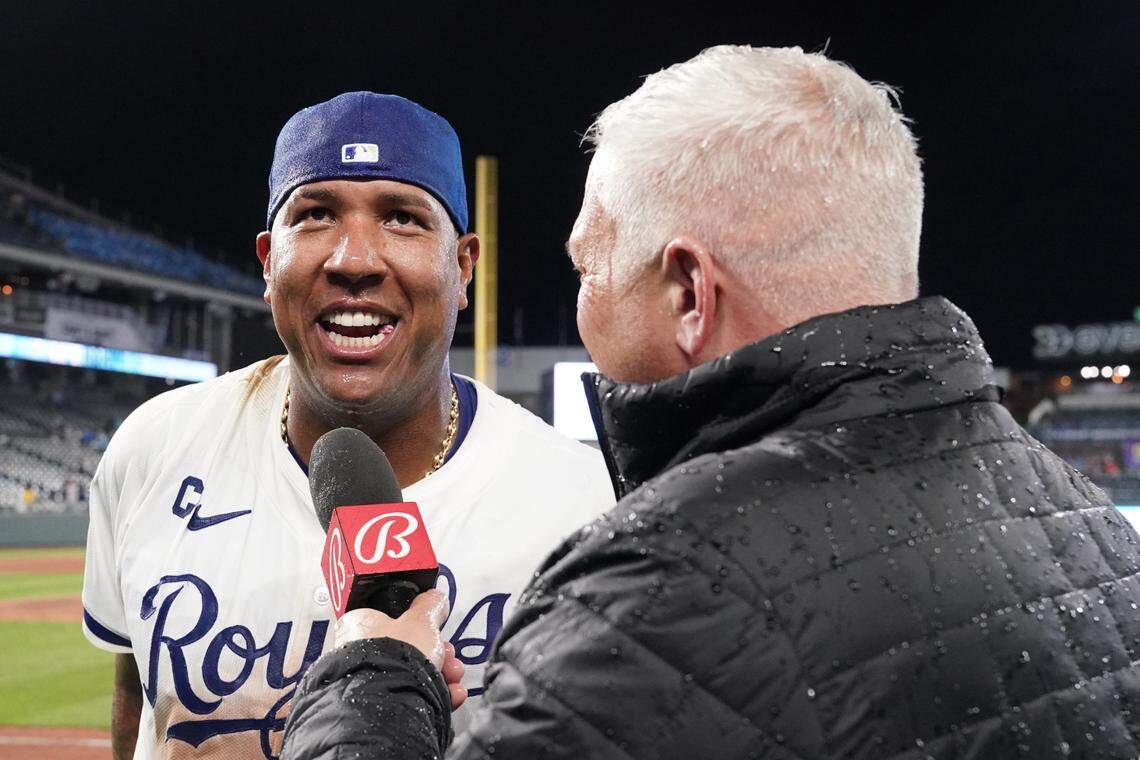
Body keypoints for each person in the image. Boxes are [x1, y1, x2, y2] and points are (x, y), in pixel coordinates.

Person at [280, 47, 1140, 759]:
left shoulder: (662, 595)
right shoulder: (1088, 524)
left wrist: (376, 677)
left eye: (588, 268)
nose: (584, 309)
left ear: (690, 290)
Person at [81, 91, 614, 760]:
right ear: (269, 261)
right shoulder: (152, 448)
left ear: (465, 264)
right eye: (316, 214)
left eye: (402, 218)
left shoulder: (580, 504)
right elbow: (140, 702)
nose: (354, 259)